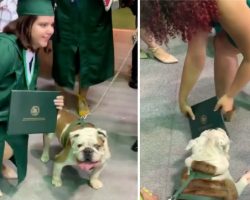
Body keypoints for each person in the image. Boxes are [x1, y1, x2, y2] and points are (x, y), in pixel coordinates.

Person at [141, 0, 250, 121]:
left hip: (237, 11)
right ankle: (224, 104)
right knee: (223, 45)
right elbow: (195, 57)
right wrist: (182, 99)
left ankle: (227, 98)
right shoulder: (195, 6)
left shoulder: (226, 4)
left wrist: (230, 95)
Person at [0, 0, 64, 187]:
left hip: (10, 116)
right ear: (25, 24)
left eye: (52, 24)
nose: (50, 30)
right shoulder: (6, 49)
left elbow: (27, 89)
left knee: (18, 138)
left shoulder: (31, 50)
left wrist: (49, 104)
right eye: (43, 25)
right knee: (7, 146)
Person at [52, 0, 114, 117]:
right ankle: (60, 97)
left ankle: (82, 97)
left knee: (88, 52)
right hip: (65, 6)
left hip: (91, 7)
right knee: (62, 51)